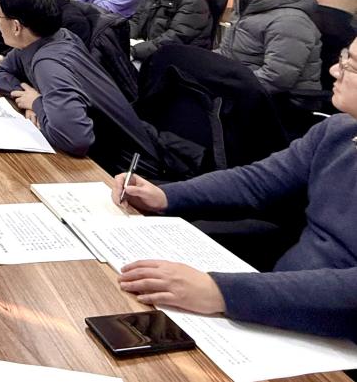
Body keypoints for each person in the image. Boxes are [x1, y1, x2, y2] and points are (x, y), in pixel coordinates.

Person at [112, 33, 357, 341]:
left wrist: (222, 292)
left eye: (351, 65)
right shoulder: (338, 131)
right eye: (344, 56)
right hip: (279, 305)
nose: (335, 70)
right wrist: (165, 196)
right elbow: (257, 181)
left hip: (333, 333)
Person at [0, 0, 162, 171]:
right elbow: (1, 73)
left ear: (16, 26)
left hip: (123, 168)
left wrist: (36, 103)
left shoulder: (49, 63)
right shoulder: (45, 38)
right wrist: (29, 96)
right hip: (111, 151)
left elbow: (76, 139)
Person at [216, 0, 322, 96]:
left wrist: (222, 83)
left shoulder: (289, 21)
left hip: (281, 100)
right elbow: (225, 52)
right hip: (241, 83)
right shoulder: (246, 4)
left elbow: (275, 79)